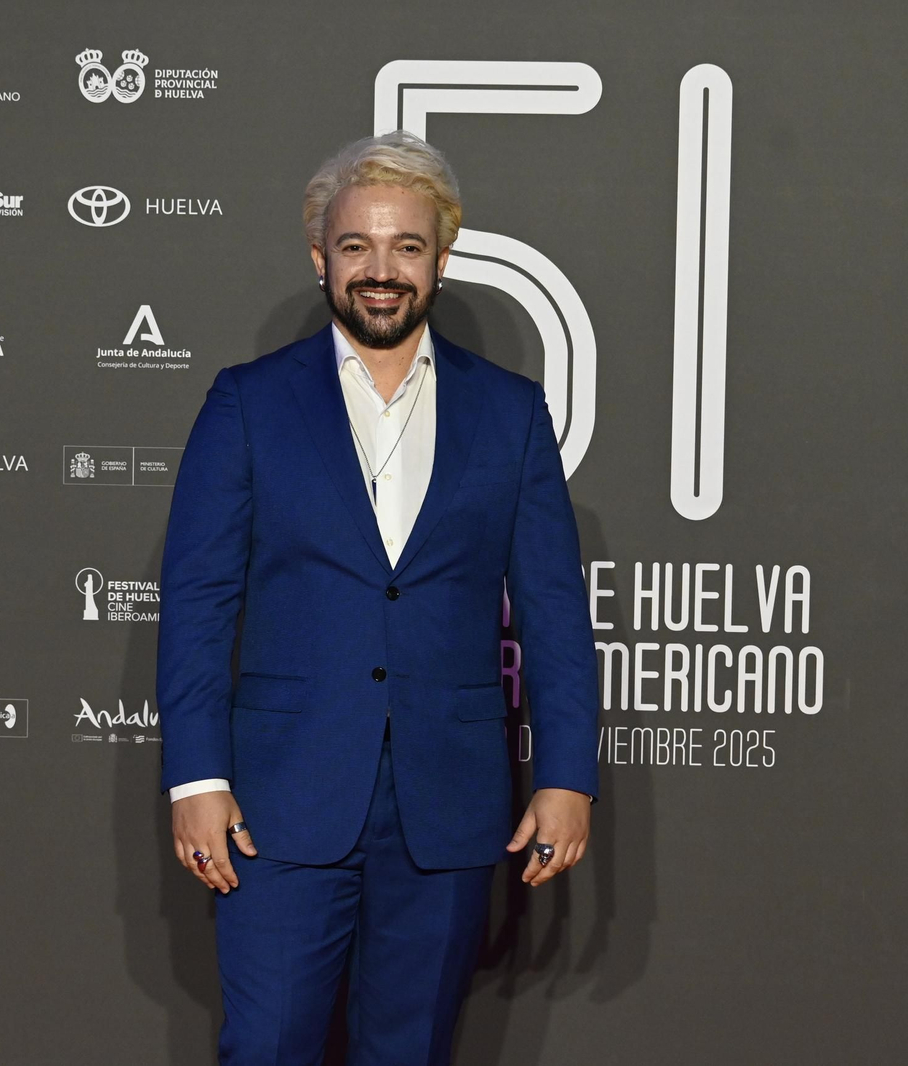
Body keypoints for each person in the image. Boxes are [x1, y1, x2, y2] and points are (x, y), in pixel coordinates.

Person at [157, 129, 599, 1065]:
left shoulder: (510, 412)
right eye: (357, 246)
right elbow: (196, 603)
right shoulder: (249, 403)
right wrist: (197, 779)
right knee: (267, 1048)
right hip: (279, 802)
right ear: (321, 259)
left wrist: (566, 776)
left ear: (441, 260)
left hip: (446, 802)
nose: (381, 270)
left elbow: (555, 612)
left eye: (406, 246)